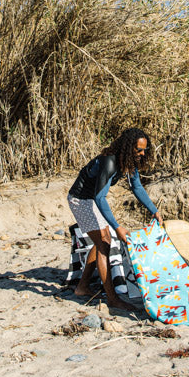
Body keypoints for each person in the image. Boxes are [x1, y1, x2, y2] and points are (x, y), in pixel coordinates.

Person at [67, 128, 163, 308]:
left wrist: (153, 210)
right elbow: (99, 197)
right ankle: (112, 298)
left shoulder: (129, 161)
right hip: (80, 199)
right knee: (104, 242)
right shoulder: (109, 162)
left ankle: (82, 286)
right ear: (128, 148)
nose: (142, 154)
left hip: (92, 199)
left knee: (102, 241)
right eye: (139, 150)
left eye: (145, 150)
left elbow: (137, 187)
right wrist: (117, 227)